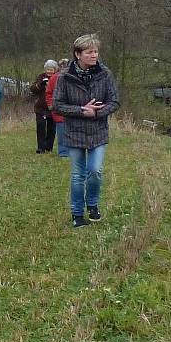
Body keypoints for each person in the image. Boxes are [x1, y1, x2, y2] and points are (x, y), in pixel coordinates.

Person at [53, 35, 120, 228]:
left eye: (96, 51)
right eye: (89, 52)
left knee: (95, 171)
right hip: (74, 131)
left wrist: (97, 113)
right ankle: (77, 213)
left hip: (98, 131)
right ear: (78, 54)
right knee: (77, 175)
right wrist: (82, 110)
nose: (94, 55)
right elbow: (57, 105)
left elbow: (115, 101)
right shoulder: (65, 76)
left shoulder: (105, 74)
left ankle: (92, 204)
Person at [30, 60, 59, 153]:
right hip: (40, 107)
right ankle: (41, 148)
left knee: (51, 128)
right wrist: (40, 85)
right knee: (40, 127)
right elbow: (33, 89)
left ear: (55, 70)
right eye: (47, 69)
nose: (49, 71)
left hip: (53, 107)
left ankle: (49, 147)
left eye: (51, 69)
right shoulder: (41, 77)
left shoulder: (58, 78)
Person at [46, 58, 70, 157]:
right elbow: (49, 93)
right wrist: (51, 105)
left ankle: (74, 152)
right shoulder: (54, 78)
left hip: (73, 109)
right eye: (62, 66)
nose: (64, 67)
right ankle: (63, 153)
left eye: (66, 65)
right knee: (61, 132)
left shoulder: (73, 77)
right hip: (58, 110)